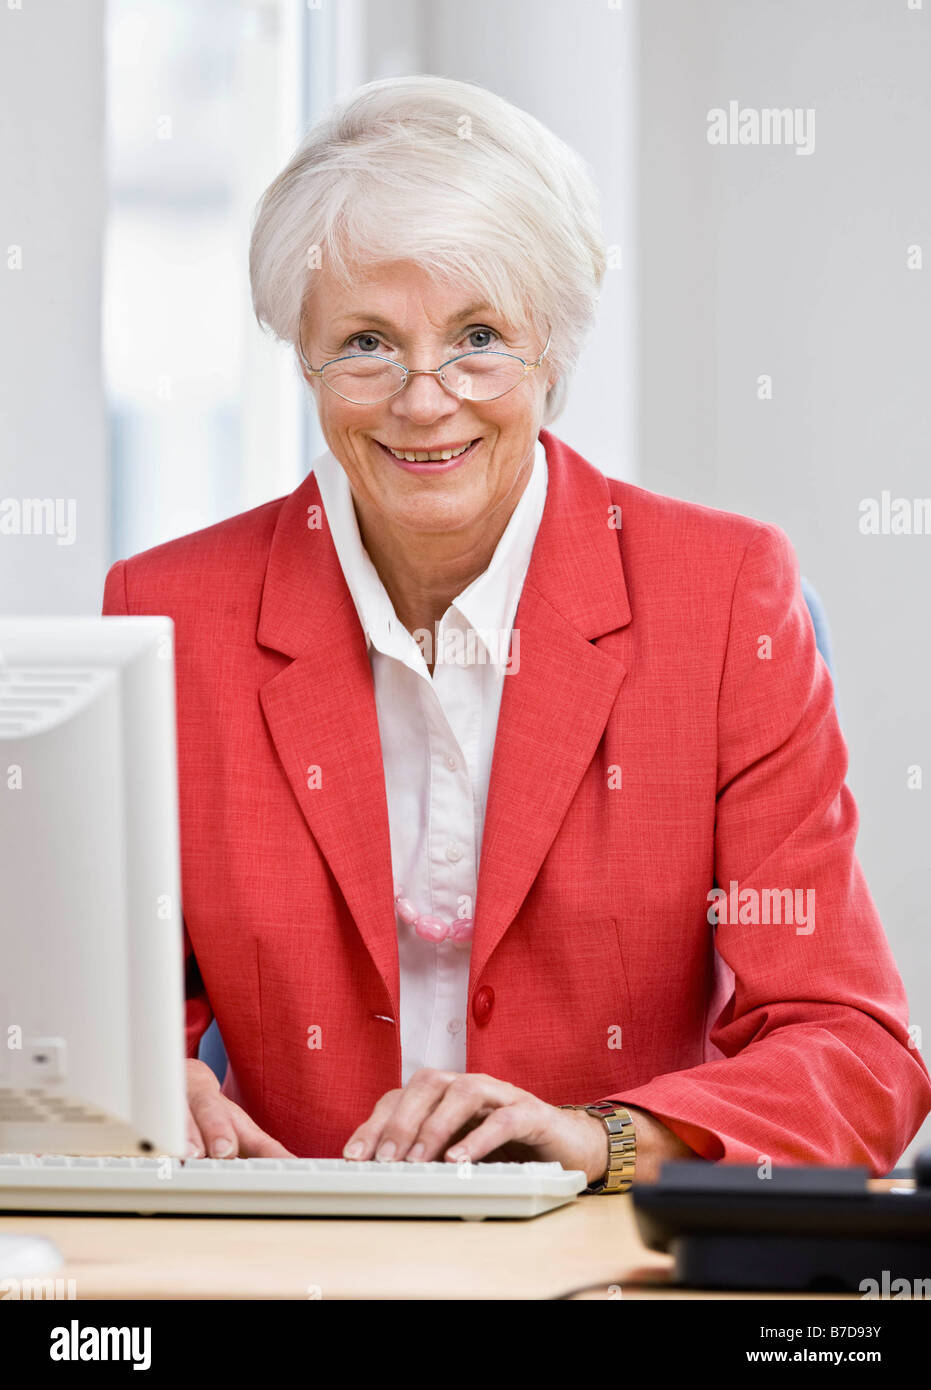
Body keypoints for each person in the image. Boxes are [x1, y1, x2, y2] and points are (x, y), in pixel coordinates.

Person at [103, 74, 930, 1191]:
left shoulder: (725, 596)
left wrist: (603, 1137)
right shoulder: (169, 612)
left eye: (479, 335)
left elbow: (855, 1051)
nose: (423, 396)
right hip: (287, 1252)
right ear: (301, 354)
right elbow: (101, 1007)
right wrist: (143, 1081)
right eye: (365, 343)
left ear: (555, 349)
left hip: (603, 1253)